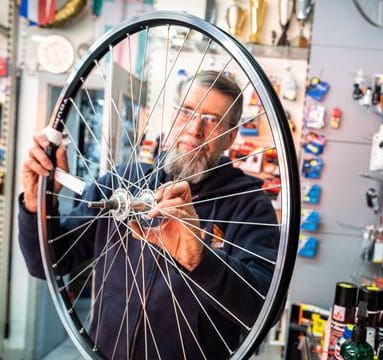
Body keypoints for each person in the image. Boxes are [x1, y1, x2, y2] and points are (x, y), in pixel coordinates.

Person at [19, 70, 279, 359]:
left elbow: (261, 310)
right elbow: (44, 263)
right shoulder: (120, 182)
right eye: (186, 111)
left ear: (230, 137)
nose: (194, 129)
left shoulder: (249, 206)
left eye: (212, 119)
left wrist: (203, 261)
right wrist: (34, 203)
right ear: (172, 117)